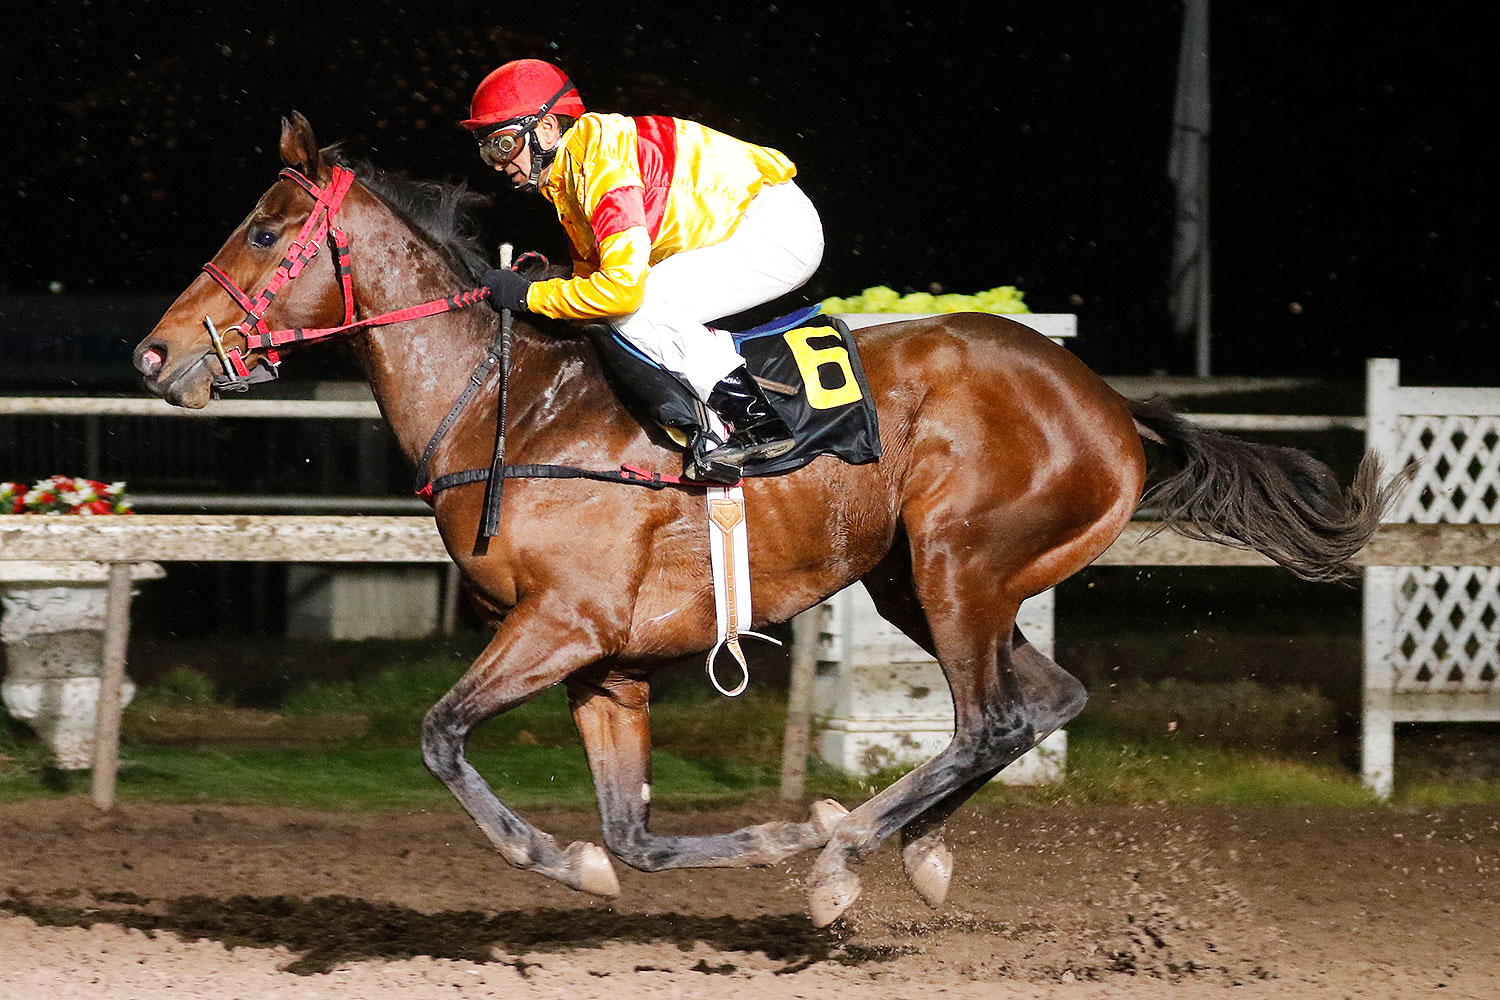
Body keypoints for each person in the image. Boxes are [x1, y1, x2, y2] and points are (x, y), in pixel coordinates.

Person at [462, 58, 825, 474]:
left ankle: (756, 423)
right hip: (753, 228)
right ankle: (715, 420)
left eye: (503, 145)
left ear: (546, 128)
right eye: (486, 151)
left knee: (640, 307)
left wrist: (529, 295)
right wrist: (537, 295)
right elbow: (590, 284)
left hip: (777, 230)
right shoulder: (571, 175)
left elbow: (620, 292)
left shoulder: (603, 166)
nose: (497, 163)